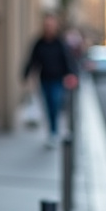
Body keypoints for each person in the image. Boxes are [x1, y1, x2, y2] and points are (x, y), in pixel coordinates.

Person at [23, 14, 78, 147]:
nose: (49, 28)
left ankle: (55, 131)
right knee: (48, 106)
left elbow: (67, 60)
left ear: (55, 27)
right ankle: (52, 132)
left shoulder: (60, 43)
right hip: (44, 79)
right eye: (47, 25)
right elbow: (32, 59)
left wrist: (72, 74)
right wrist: (25, 73)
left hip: (58, 79)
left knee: (55, 102)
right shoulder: (39, 43)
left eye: (51, 25)